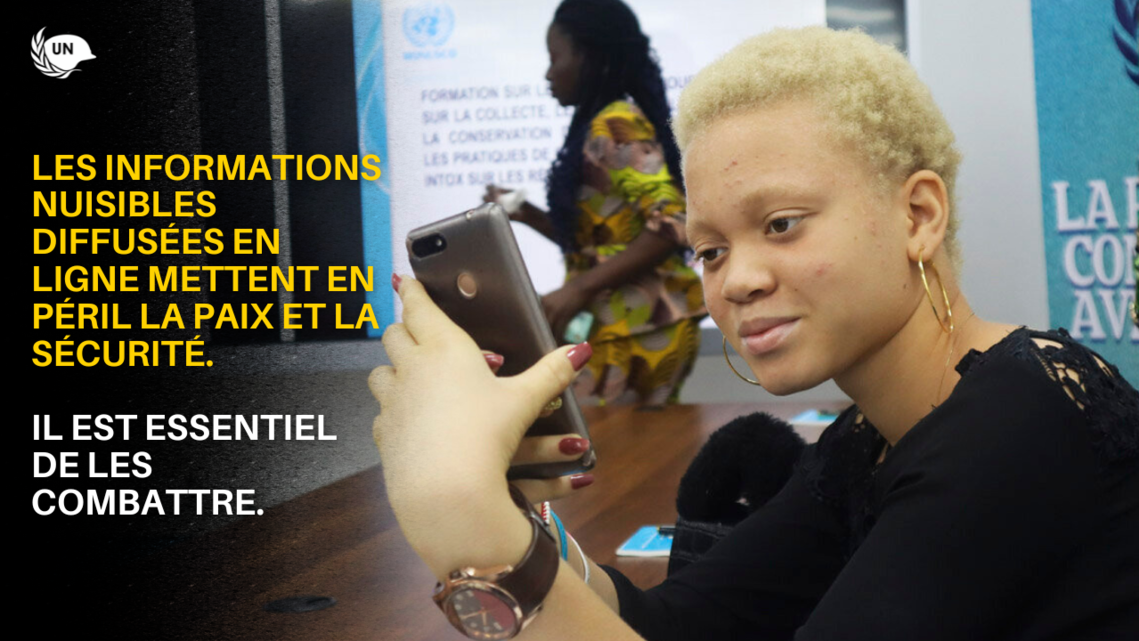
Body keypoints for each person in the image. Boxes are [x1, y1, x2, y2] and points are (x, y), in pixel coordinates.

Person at [371, 26, 1139, 641]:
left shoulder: (1019, 420)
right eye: (709, 250)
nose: (735, 280)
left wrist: (469, 529)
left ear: (917, 216)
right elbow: (671, 623)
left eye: (780, 224)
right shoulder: (866, 440)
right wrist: (514, 526)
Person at [483, 0, 705, 407]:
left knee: (609, 444)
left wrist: (578, 289)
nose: (548, 73)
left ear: (589, 57)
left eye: (555, 58)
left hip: (642, 324)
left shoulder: (615, 124)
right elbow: (599, 242)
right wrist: (527, 214)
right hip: (623, 322)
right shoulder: (600, 122)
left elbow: (674, 221)